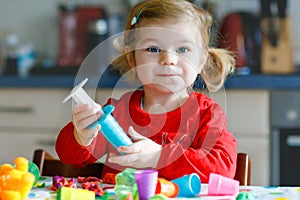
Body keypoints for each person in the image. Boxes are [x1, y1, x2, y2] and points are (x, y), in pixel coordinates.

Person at [56, 0, 237, 183]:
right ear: (132, 58)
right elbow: (70, 158)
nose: (168, 59)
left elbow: (223, 168)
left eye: (182, 49)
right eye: (153, 49)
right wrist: (82, 136)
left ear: (200, 60)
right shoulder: (117, 113)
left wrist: (159, 156)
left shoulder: (207, 115)